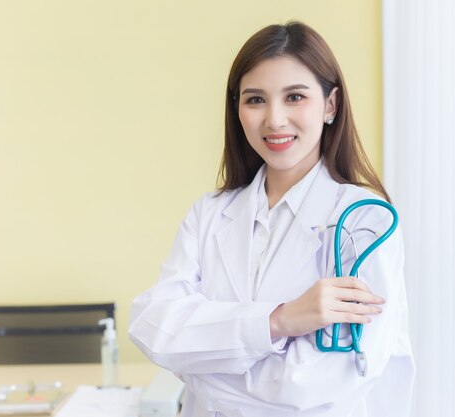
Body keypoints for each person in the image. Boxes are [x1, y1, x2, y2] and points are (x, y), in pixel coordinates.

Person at [129, 21, 415, 417]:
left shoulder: (365, 222)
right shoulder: (209, 214)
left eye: (294, 97)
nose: (275, 120)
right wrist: (279, 320)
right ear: (238, 109)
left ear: (330, 105)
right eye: (255, 100)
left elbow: (321, 386)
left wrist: (201, 364)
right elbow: (154, 327)